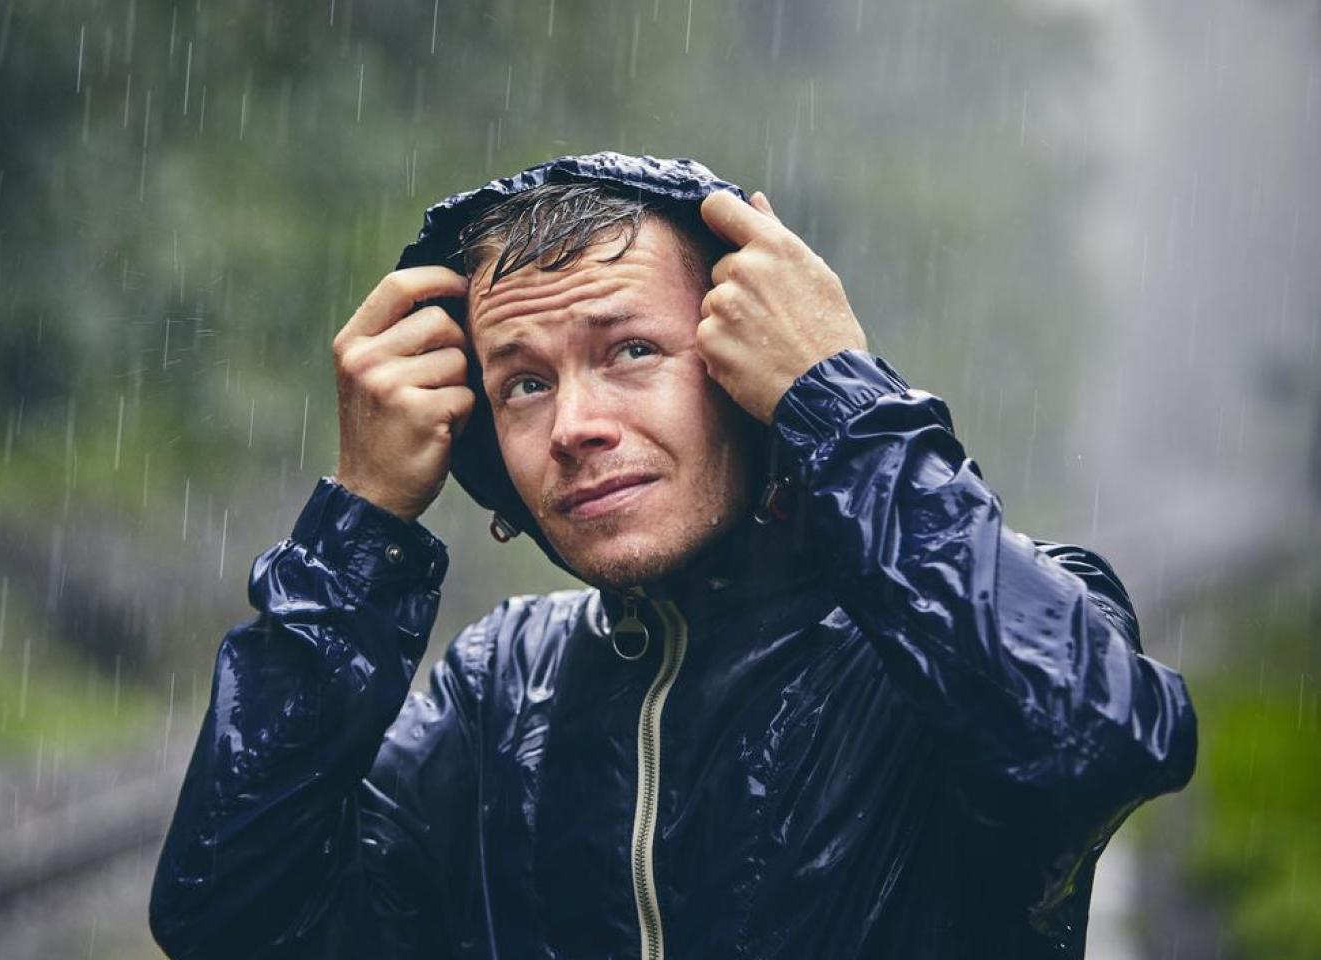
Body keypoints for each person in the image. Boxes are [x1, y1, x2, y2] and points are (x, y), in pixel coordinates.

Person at [147, 152, 1197, 959]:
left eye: (631, 352)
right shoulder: (498, 693)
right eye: (522, 383)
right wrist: (360, 531)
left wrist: (839, 400)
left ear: (752, 374)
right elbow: (232, 918)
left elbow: (1087, 741)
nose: (573, 425)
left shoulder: (955, 640)